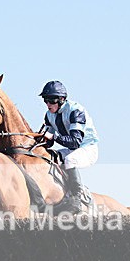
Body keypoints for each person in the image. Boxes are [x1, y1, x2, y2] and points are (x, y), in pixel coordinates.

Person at [38, 81, 100, 212]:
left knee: (69, 160)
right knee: (50, 156)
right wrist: (40, 138)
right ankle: (63, 193)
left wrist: (53, 137)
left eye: (51, 100)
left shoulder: (75, 111)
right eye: (45, 100)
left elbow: (75, 142)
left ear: (61, 99)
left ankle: (77, 199)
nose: (48, 104)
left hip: (87, 148)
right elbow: (47, 142)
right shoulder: (49, 115)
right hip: (71, 149)